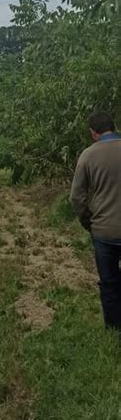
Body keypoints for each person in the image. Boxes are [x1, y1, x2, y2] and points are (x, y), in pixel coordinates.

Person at [70, 110, 121, 331]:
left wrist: (88, 222)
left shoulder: (88, 156)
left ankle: (113, 328)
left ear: (93, 133)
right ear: (114, 126)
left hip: (104, 231)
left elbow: (76, 197)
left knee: (109, 283)